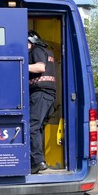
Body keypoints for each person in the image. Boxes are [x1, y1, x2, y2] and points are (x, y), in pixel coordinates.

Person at [28, 30, 56, 174]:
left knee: (31, 127)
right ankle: (37, 162)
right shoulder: (48, 51)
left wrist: (19, 66)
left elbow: (40, 67)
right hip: (48, 95)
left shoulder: (37, 50)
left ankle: (38, 161)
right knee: (37, 128)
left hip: (40, 94)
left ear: (31, 41)